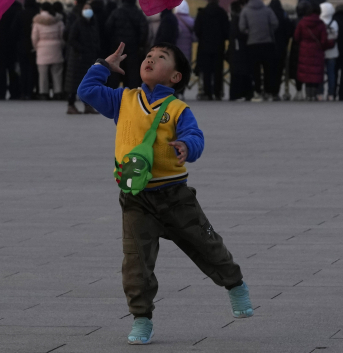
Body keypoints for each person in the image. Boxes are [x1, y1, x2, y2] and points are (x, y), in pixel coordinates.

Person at [77, 41, 253, 344]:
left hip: (176, 197)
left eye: (161, 58)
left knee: (207, 244)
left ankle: (235, 283)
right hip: (136, 199)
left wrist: (186, 147)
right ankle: (142, 318)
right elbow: (87, 92)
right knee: (136, 263)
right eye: (148, 55)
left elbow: (195, 137)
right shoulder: (123, 99)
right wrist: (103, 66)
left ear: (175, 77)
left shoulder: (178, 109)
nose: (150, 59)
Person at [238, 0, 279, 102]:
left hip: (252, 44)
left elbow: (241, 27)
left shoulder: (245, 10)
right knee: (267, 69)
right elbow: (275, 23)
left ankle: (257, 92)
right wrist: (268, 32)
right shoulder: (267, 9)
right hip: (267, 43)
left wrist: (250, 32)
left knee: (255, 70)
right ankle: (268, 92)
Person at [64, 0, 102, 114]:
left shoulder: (93, 23)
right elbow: (71, 39)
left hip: (89, 57)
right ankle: (71, 104)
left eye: (89, 8)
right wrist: (82, 49)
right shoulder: (78, 23)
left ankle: (87, 105)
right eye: (85, 8)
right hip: (77, 57)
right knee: (74, 82)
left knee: (87, 83)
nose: (88, 10)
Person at [105, 0, 148, 91]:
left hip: (117, 48)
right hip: (133, 49)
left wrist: (112, 42)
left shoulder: (116, 12)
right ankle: (131, 96)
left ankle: (114, 96)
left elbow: (108, 28)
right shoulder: (138, 13)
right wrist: (140, 45)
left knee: (115, 73)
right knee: (132, 75)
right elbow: (144, 30)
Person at [193, 0, 230, 101]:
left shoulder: (202, 13)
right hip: (218, 47)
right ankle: (218, 92)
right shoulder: (222, 13)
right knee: (218, 70)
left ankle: (207, 92)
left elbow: (197, 30)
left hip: (204, 46)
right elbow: (227, 31)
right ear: (218, 0)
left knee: (206, 71)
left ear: (208, 0)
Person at [293, 1, 330, 100]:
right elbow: (323, 40)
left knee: (306, 72)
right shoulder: (321, 23)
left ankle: (308, 94)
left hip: (304, 50)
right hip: (317, 51)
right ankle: (314, 95)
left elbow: (296, 37)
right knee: (315, 72)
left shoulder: (302, 22)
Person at [32, 2, 66, 99]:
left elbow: (34, 37)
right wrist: (61, 45)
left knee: (43, 73)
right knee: (57, 72)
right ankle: (58, 92)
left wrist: (36, 47)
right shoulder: (58, 20)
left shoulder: (37, 21)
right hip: (56, 47)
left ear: (41, 9)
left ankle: (44, 93)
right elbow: (63, 35)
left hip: (42, 48)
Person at [0, 1, 22, 100]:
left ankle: (1, 92)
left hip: (0, 43)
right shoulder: (18, 10)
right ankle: (15, 92)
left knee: (1, 69)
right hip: (14, 44)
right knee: (13, 69)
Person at [16, 0, 40, 99]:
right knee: (32, 70)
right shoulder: (37, 14)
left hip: (21, 45)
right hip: (35, 46)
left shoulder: (20, 13)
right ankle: (31, 91)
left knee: (23, 70)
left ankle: (23, 92)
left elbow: (14, 29)